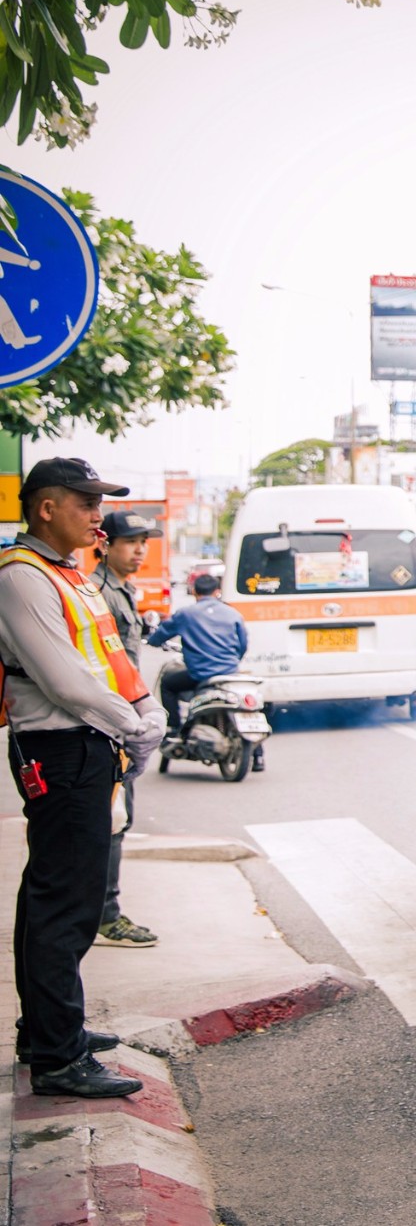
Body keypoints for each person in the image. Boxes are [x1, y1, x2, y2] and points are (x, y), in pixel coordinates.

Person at [0, 457, 166, 1098]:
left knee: (59, 896)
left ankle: (44, 1029)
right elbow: (65, 681)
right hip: (58, 750)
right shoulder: (22, 578)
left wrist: (142, 711)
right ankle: (58, 1057)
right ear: (46, 508)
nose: (99, 514)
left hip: (87, 746)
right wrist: (132, 724)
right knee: (62, 906)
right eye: (85, 502)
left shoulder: (70, 576)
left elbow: (110, 658)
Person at [90, 511, 164, 948]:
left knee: (117, 819)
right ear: (104, 544)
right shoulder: (99, 591)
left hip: (126, 721)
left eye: (143, 542)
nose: (139, 550)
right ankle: (105, 915)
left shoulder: (121, 591)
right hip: (113, 724)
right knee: (113, 821)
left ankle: (100, 911)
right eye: (129, 541)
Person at [147, 572, 248, 730]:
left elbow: (159, 636)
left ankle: (173, 729)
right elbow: (243, 646)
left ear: (194, 591)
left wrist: (152, 640)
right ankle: (257, 753)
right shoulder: (233, 613)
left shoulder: (185, 614)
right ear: (217, 591)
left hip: (199, 674)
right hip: (230, 673)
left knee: (167, 684)